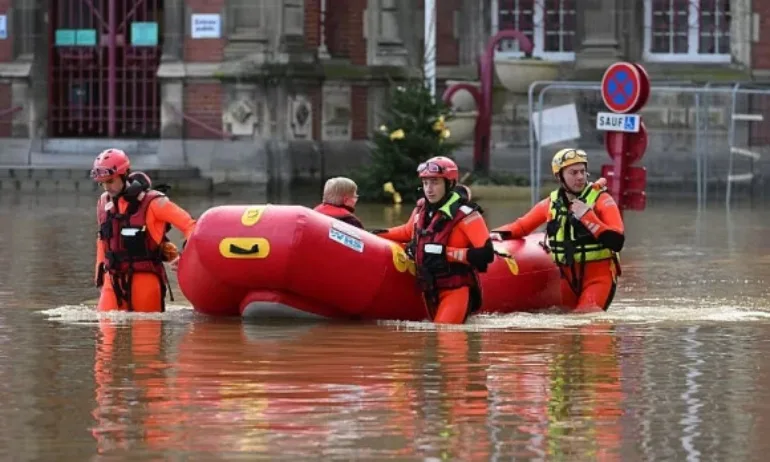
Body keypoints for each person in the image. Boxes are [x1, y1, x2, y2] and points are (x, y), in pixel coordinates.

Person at [491, 148, 624, 313]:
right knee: (567, 331)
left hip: (599, 277)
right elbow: (521, 227)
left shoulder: (602, 199)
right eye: (573, 173)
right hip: (567, 279)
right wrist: (492, 235)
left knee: (586, 322)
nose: (580, 177)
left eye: (583, 171)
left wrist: (588, 217)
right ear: (559, 176)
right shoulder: (552, 202)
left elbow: (617, 241)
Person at [372, 156, 495, 324]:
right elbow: (407, 232)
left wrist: (446, 254)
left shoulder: (468, 215)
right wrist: (372, 234)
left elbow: (486, 254)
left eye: (435, 183)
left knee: (443, 339)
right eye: (425, 183)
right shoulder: (422, 209)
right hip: (428, 289)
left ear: (449, 184)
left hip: (455, 290)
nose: (429, 189)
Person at [92, 148, 197, 313]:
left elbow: (190, 226)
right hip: (112, 280)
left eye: (110, 181)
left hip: (145, 278)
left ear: (125, 174)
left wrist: (186, 259)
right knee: (105, 331)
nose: (106, 187)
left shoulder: (155, 203)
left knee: (146, 334)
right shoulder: (103, 203)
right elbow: (102, 241)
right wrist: (99, 278)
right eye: (102, 183)